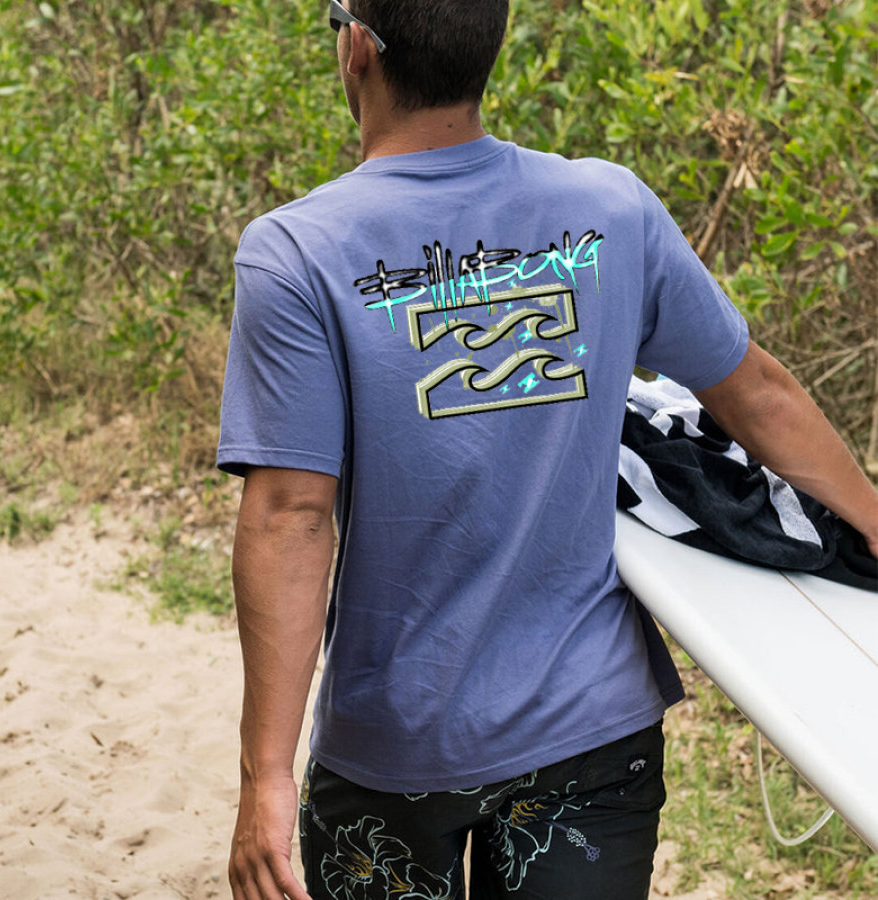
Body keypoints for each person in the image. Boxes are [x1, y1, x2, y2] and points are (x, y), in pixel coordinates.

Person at [217, 2, 878, 898]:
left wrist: (265, 777)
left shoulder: (297, 253)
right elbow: (757, 391)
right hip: (593, 732)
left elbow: (290, 514)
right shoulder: (610, 206)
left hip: (395, 746)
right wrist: (874, 519)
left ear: (358, 47)